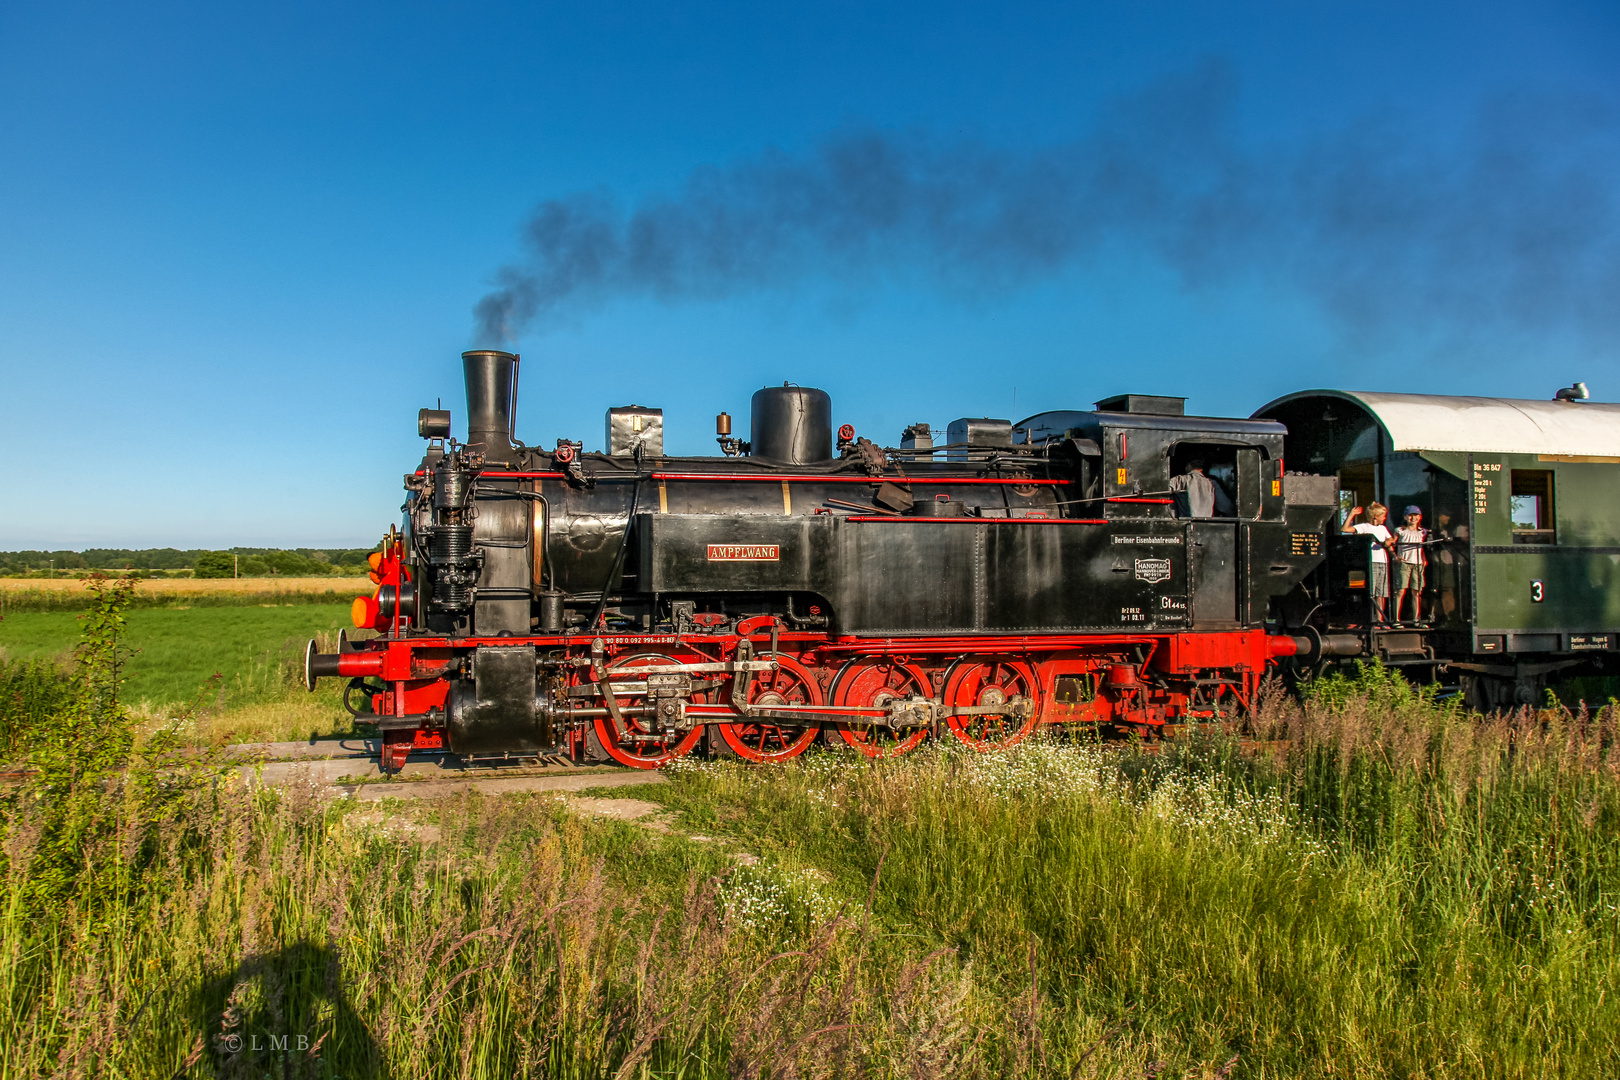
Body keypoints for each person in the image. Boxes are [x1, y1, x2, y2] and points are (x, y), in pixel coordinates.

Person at [1342, 502, 1396, 623]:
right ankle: (1368, 618)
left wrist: (1390, 544)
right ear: (1376, 516)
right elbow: (1345, 529)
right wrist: (1351, 515)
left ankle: (1380, 618)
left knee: (1381, 592)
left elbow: (1390, 539)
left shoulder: (1383, 528)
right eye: (1383, 516)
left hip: (1383, 562)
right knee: (1371, 591)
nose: (1385, 518)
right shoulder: (1364, 527)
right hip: (1370, 562)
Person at [1393, 505, 1429, 625]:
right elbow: (1391, 544)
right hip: (1404, 563)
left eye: (1416, 515)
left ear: (1420, 517)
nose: (1413, 518)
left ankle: (1416, 619)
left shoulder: (1423, 532)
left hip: (1418, 564)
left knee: (1416, 592)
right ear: (1405, 517)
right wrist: (1395, 557)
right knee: (1401, 591)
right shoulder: (1400, 530)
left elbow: (1422, 548)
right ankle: (1396, 619)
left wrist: (1424, 559)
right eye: (1410, 515)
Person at [1169, 459, 1235, 518]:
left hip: (1184, 524)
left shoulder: (1179, 480)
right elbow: (1225, 506)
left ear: (1188, 466)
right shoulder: (1212, 483)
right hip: (1205, 526)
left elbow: (1162, 489)